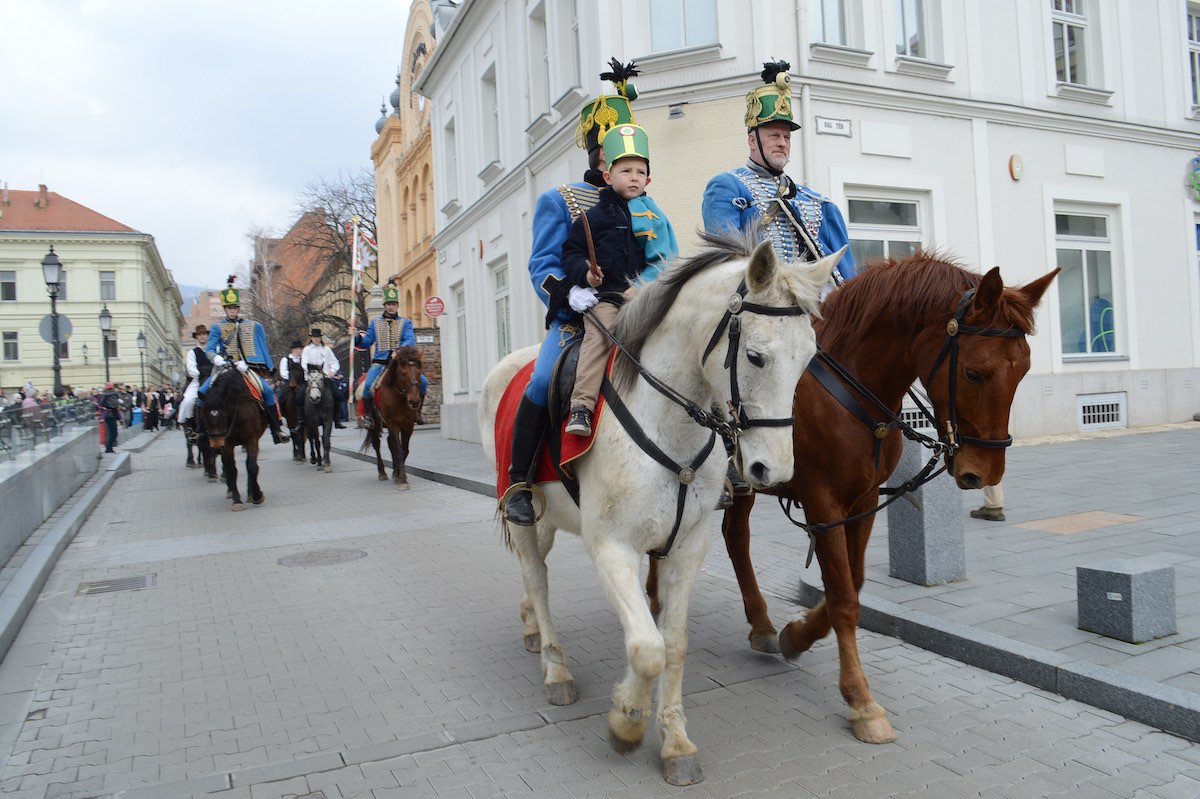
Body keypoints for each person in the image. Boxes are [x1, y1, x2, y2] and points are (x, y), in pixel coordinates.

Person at [503, 58, 676, 523]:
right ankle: (519, 481)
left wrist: (647, 291)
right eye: (616, 150)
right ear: (599, 154)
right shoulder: (560, 200)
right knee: (540, 379)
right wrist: (568, 295)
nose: (628, 162)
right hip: (577, 317)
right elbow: (542, 263)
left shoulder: (646, 206)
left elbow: (663, 260)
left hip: (635, 309)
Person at [701, 59, 857, 504]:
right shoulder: (727, 186)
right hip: (754, 310)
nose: (783, 141)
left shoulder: (815, 200)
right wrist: (770, 209)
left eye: (787, 135)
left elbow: (843, 269)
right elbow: (725, 250)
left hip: (806, 313)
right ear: (753, 139)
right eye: (774, 134)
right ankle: (725, 461)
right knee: (730, 372)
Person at [563, 122, 676, 436]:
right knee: (599, 338)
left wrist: (640, 289)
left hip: (646, 297)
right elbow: (571, 253)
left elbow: (665, 260)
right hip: (607, 299)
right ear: (609, 176)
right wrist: (586, 274)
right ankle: (582, 407)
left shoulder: (655, 217)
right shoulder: (591, 218)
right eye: (626, 171)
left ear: (648, 179)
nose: (634, 178)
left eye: (640, 172)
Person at [199, 276, 289, 444]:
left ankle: (276, 429)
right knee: (202, 393)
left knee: (268, 392)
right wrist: (218, 359)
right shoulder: (218, 328)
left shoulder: (251, 325)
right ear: (225, 309)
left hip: (246, 369)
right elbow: (209, 351)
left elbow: (259, 346)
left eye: (235, 308)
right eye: (229, 308)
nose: (232, 311)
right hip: (225, 368)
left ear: (238, 308)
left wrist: (248, 364)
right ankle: (202, 431)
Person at [353, 283, 428, 427]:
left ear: (397, 305)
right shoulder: (375, 323)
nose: (391, 307)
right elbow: (366, 342)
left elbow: (410, 339)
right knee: (368, 385)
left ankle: (418, 412)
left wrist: (399, 350)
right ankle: (368, 416)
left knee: (423, 382)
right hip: (380, 363)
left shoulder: (405, 322)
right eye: (388, 304)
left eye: (393, 304)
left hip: (400, 362)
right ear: (384, 305)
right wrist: (356, 336)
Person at [178, 325, 212, 426]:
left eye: (204, 334)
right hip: (199, 381)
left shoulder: (213, 350)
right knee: (188, 400)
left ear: (207, 336)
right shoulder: (192, 353)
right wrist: (201, 375)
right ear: (196, 337)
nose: (202, 336)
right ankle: (189, 424)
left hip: (215, 379)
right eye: (200, 334)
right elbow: (191, 369)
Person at [279, 338, 304, 434]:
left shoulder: (303, 359)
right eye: (299, 349)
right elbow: (283, 372)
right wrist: (292, 380)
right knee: (281, 396)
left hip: (302, 383)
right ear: (294, 349)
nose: (301, 351)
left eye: (301, 349)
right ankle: (282, 414)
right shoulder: (285, 359)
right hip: (290, 383)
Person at [98, 382, 122, 453]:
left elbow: (100, 404)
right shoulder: (114, 394)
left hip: (107, 415)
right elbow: (116, 405)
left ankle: (109, 447)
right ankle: (109, 448)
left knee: (110, 432)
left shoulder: (103, 395)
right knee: (113, 433)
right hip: (112, 415)